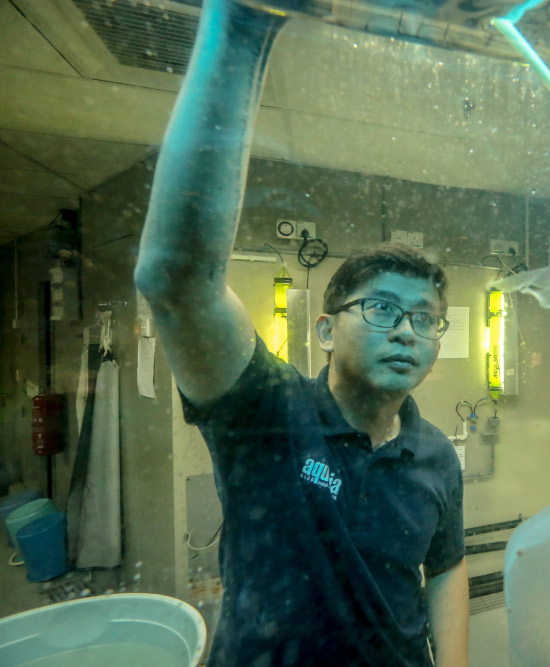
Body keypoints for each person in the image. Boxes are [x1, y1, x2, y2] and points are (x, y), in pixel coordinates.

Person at [133, 1, 469, 665]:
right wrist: (243, 25)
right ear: (324, 328)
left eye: (424, 318)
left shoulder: (436, 455)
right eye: (381, 309)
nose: (406, 330)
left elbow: (447, 565)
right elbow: (175, 279)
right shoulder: (270, 413)